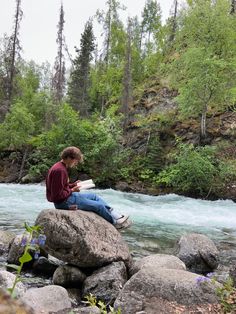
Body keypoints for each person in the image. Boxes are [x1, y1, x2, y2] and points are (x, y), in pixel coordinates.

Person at [46, 146, 130, 229]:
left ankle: (116, 215)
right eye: (76, 160)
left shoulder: (60, 166)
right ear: (68, 158)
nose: (76, 163)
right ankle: (115, 223)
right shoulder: (60, 170)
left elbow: (62, 186)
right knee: (99, 206)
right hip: (64, 202)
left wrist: (73, 184)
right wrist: (72, 190)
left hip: (68, 197)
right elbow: (56, 196)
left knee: (94, 196)